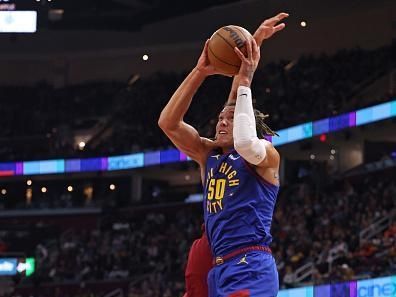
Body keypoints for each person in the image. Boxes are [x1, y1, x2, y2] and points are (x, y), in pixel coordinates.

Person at [159, 12, 288, 297]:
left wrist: (247, 72)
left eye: (230, 118)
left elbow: (240, 110)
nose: (222, 121)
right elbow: (168, 123)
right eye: (219, 117)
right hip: (215, 269)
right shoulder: (208, 154)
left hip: (250, 264)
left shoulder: (266, 154)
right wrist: (200, 71)